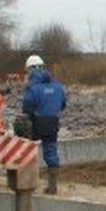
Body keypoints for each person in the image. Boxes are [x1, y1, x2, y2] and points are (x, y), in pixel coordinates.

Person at [21, 54, 68, 194]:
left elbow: (27, 108)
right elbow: (63, 105)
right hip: (52, 123)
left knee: (26, 149)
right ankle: (52, 186)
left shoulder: (32, 88)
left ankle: (27, 183)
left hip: (36, 123)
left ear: (29, 70)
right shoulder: (58, 87)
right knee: (51, 152)